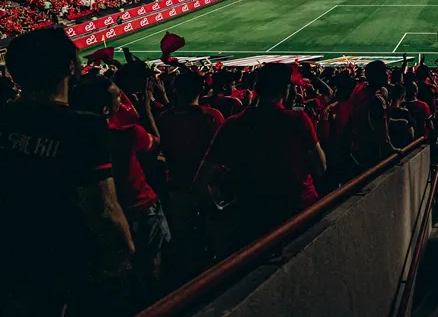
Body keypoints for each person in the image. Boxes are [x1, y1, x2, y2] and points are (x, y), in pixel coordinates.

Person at [0, 28, 134, 317]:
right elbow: (103, 208)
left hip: (12, 252)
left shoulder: (6, 116)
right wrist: (124, 252)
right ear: (70, 68)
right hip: (62, 259)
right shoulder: (83, 126)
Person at [198, 63, 327, 246]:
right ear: (286, 89)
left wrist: (219, 209)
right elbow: (321, 168)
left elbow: (202, 180)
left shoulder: (233, 125)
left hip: (253, 215)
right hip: (298, 212)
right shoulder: (297, 121)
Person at [73, 71, 170, 307]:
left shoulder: (74, 139)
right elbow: (155, 142)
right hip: (140, 207)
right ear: (106, 109)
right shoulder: (126, 134)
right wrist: (146, 107)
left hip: (102, 216)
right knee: (151, 265)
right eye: (118, 97)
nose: (122, 100)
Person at [154, 69, 224, 282]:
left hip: (177, 187)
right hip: (209, 188)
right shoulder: (212, 116)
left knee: (184, 240)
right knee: (213, 236)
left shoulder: (164, 119)